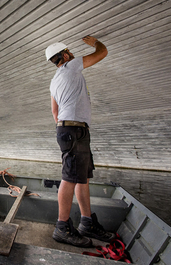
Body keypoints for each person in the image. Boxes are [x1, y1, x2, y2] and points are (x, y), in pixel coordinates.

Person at [45, 35, 115, 247]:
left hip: (72, 129)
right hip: (74, 130)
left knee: (81, 177)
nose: (73, 54)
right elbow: (102, 53)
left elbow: (54, 112)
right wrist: (95, 42)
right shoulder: (71, 66)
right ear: (65, 55)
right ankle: (62, 227)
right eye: (70, 52)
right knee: (70, 177)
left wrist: (66, 128)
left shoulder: (54, 81)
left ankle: (87, 223)